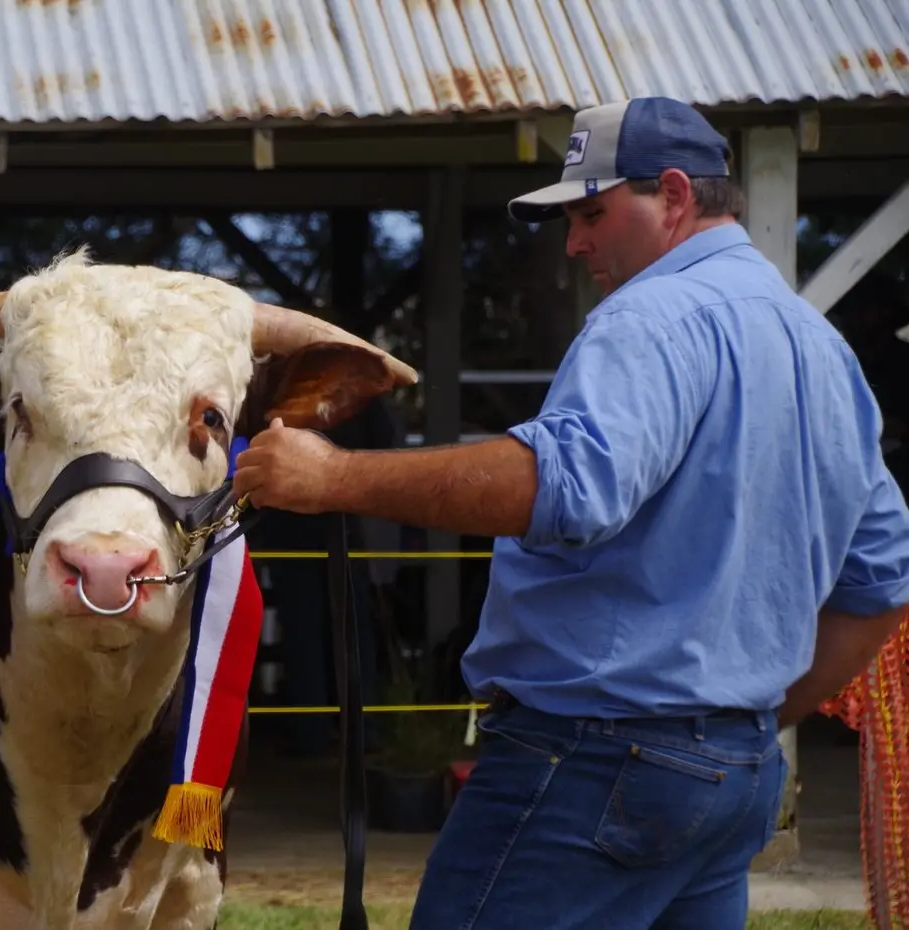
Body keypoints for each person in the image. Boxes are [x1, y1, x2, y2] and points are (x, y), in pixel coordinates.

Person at [232, 96, 909, 929]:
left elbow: (565, 484)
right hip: (733, 771)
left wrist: (332, 477)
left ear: (671, 194)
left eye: (591, 212)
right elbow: (880, 584)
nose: (575, 241)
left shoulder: (647, 316)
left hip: (594, 762)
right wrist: (747, 720)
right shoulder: (820, 346)